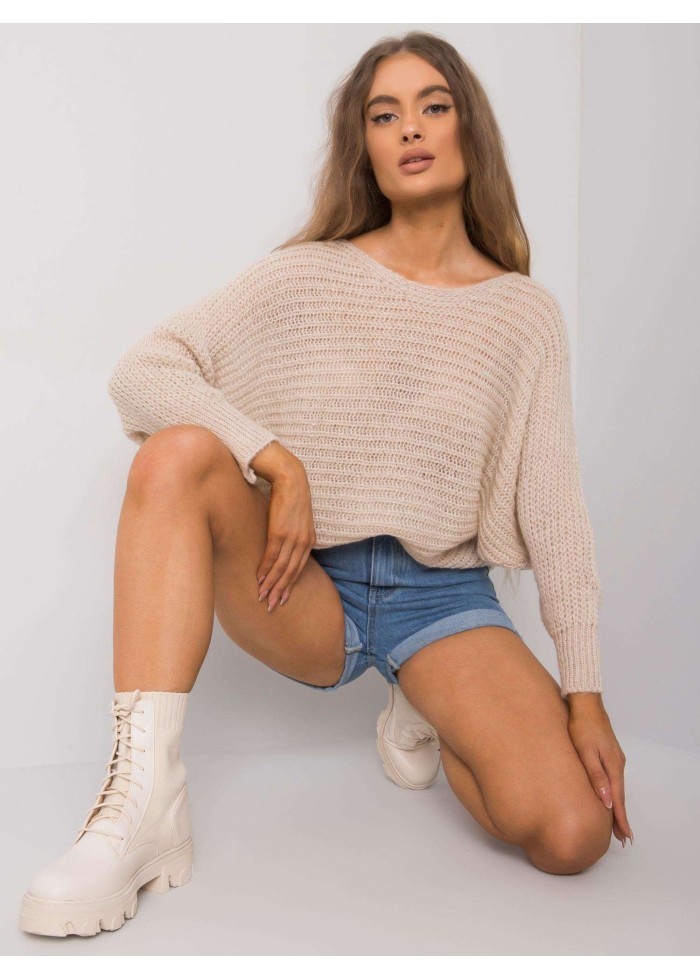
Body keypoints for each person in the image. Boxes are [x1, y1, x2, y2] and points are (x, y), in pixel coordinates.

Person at [19, 30, 633, 939]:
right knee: (175, 455)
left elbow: (556, 509)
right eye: (385, 115)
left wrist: (584, 694)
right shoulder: (307, 275)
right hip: (302, 582)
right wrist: (273, 457)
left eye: (433, 106)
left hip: (443, 601)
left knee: (573, 832)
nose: (410, 128)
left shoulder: (523, 314)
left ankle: (426, 704)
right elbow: (141, 371)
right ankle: (141, 810)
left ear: (468, 130)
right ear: (366, 148)